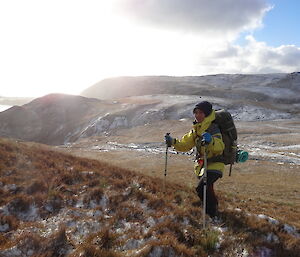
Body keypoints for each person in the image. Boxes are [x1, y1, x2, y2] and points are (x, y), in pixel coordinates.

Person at [165, 101, 225, 218]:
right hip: (203, 165)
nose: (197, 115)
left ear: (207, 114)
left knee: (201, 188)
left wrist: (211, 141)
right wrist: (173, 142)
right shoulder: (196, 130)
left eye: (201, 112)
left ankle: (211, 215)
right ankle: (214, 209)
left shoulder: (213, 128)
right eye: (196, 112)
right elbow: (185, 145)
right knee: (207, 188)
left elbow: (220, 147)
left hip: (215, 163)